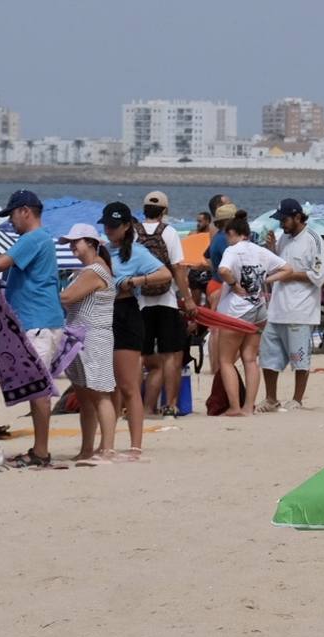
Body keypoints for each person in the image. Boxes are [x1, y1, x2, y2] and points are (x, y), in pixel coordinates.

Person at [0, 190, 63, 468]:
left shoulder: (33, 238)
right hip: (38, 320)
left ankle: (41, 451)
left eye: (12, 215)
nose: (10, 222)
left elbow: (0, 263)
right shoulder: (39, 240)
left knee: (39, 390)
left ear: (25, 211)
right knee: (36, 388)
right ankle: (40, 448)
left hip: (39, 322)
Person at [100, 202, 171, 459]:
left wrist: (136, 281)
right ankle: (107, 444)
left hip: (126, 314)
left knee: (129, 385)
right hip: (104, 315)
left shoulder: (137, 253)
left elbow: (165, 274)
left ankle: (135, 446)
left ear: (127, 226)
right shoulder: (104, 250)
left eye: (114, 226)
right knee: (109, 386)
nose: (109, 230)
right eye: (106, 225)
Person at [216, 211, 293, 416]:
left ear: (233, 232)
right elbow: (288, 269)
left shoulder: (233, 251)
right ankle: (248, 407)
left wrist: (233, 284)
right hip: (259, 310)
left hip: (236, 311)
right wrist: (266, 280)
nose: (226, 239)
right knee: (250, 359)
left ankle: (234, 407)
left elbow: (222, 270)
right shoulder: (260, 251)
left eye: (227, 235)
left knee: (226, 360)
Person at [258, 199, 324, 412]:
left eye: (285, 219)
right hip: (277, 308)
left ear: (298, 217)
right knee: (268, 355)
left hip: (301, 309)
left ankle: (297, 399)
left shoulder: (314, 239)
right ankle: (271, 398)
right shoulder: (283, 239)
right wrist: (271, 249)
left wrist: (291, 275)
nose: (281, 224)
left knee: (300, 357)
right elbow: (277, 265)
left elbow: (319, 274)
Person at [57, 224, 117, 464]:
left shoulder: (95, 270)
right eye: (71, 242)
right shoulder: (86, 270)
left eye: (76, 241)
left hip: (94, 337)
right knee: (84, 396)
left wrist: (41, 289)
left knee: (101, 394)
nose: (72, 246)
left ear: (91, 243)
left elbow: (67, 297)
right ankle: (87, 449)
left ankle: (108, 449)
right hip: (80, 336)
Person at [137, 191, 194, 418]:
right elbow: (178, 268)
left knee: (142, 356)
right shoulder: (169, 232)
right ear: (165, 211)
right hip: (167, 301)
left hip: (141, 302)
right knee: (171, 355)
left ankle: (142, 407)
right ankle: (170, 404)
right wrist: (188, 298)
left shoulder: (134, 232)